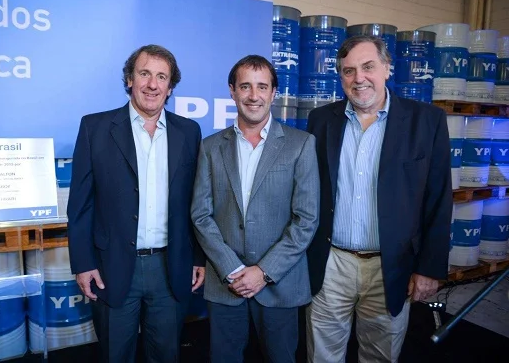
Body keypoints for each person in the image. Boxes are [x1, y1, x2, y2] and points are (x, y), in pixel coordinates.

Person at [305, 35, 453, 362]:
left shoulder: (427, 121)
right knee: (322, 356)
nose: (359, 78)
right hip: (331, 264)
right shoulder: (320, 120)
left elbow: (439, 199)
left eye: (368, 67)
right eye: (349, 71)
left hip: (391, 267)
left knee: (380, 356)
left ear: (387, 68)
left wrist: (429, 268)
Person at [67, 44, 205, 363]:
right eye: (144, 74)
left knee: (166, 355)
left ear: (170, 86)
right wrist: (83, 263)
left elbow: (196, 202)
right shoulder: (95, 128)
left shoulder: (189, 132)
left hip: (171, 268)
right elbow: (80, 205)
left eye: (162, 77)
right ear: (130, 79)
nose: (152, 84)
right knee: (115, 355)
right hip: (111, 267)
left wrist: (198, 257)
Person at [191, 55, 320, 362]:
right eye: (245, 86)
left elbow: (306, 219)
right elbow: (201, 214)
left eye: (262, 87)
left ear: (273, 93)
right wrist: (232, 269)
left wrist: (263, 272)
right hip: (226, 283)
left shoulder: (301, 144)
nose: (253, 95)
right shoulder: (210, 146)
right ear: (232, 90)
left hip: (280, 283)